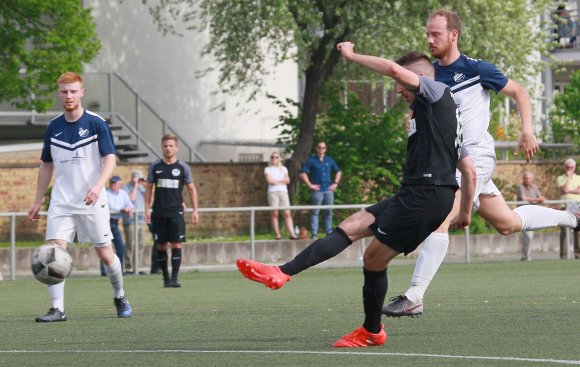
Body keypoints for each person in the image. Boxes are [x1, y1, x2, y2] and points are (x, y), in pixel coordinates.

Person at [238, 48, 472, 348]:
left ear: (421, 78)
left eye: (404, 84)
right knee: (354, 224)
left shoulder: (437, 90)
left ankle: (372, 331)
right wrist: (462, 212)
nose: (399, 89)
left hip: (425, 195)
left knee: (373, 258)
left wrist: (351, 56)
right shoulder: (440, 113)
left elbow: (393, 69)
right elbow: (468, 170)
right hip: (422, 192)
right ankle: (282, 272)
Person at [382, 9, 580, 318]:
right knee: (506, 224)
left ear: (453, 35)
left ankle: (414, 296)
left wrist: (526, 129)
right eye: (428, 34)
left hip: (477, 155)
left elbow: (520, 91)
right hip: (454, 163)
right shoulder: (429, 74)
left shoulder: (475, 70)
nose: (430, 39)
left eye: (436, 34)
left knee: (441, 217)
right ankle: (572, 217)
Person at [28, 72, 132, 322]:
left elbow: (110, 159)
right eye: (64, 91)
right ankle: (57, 308)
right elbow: (46, 165)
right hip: (62, 201)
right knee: (54, 253)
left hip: (92, 200)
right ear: (59, 93)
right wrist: (37, 199)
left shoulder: (96, 123)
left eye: (73, 91)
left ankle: (120, 296)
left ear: (81, 92)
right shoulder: (53, 127)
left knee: (106, 255)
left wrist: (98, 185)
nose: (69, 95)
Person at [145, 134, 199, 288]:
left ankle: (174, 278)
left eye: (170, 146)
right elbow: (149, 188)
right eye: (165, 146)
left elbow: (192, 189)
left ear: (176, 148)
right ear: (162, 147)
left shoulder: (183, 167)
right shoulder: (155, 166)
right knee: (161, 245)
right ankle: (166, 279)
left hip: (176, 212)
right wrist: (147, 209)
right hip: (159, 212)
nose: (168, 148)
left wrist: (195, 210)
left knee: (176, 244)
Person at [299, 141, 342, 239]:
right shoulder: (312, 160)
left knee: (329, 211)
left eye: (323, 148)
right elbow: (302, 173)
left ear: (325, 149)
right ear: (316, 149)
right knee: (315, 211)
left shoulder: (329, 160)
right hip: (317, 190)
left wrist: (335, 183)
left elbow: (338, 171)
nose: (321, 149)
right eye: (319, 147)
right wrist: (310, 185)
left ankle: (328, 232)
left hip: (328, 189)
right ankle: (314, 233)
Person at [102, 175, 133, 275]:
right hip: (106, 221)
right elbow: (110, 206)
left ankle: (119, 269)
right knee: (105, 246)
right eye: (112, 183)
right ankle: (104, 271)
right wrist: (121, 209)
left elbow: (130, 204)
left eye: (116, 183)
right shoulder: (106, 194)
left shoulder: (123, 193)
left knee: (119, 247)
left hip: (114, 222)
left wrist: (128, 208)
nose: (114, 185)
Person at [265, 152, 299, 240]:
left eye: (276, 157)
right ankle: (277, 234)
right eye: (272, 157)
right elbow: (269, 180)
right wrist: (281, 180)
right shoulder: (268, 169)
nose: (274, 159)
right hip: (273, 192)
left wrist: (276, 181)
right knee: (274, 213)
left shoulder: (283, 169)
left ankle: (292, 233)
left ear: (279, 158)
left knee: (287, 213)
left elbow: (287, 180)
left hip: (283, 191)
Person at [122, 170, 150, 274]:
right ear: (133, 178)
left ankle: (138, 267)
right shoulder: (125, 188)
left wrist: (147, 185)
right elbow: (131, 199)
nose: (139, 181)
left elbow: (150, 197)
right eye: (138, 178)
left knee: (141, 244)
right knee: (130, 244)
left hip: (141, 220)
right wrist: (135, 186)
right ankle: (128, 267)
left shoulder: (143, 188)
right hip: (130, 220)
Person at [517, 172, 546, 261]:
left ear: (532, 179)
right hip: (523, 215)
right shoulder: (520, 187)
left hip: (532, 214)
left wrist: (540, 199)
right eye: (525, 178)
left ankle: (525, 256)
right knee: (528, 235)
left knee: (529, 236)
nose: (527, 180)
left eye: (529, 178)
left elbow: (541, 198)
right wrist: (537, 199)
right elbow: (523, 198)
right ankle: (526, 256)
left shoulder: (534, 187)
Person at [557, 158, 580, 259]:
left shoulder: (578, 178)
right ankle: (564, 255)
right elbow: (564, 189)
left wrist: (568, 191)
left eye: (571, 167)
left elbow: (578, 191)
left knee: (577, 231)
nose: (569, 169)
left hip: (577, 207)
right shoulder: (560, 178)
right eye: (567, 167)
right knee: (564, 231)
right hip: (564, 206)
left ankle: (578, 254)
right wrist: (568, 178)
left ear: (574, 168)